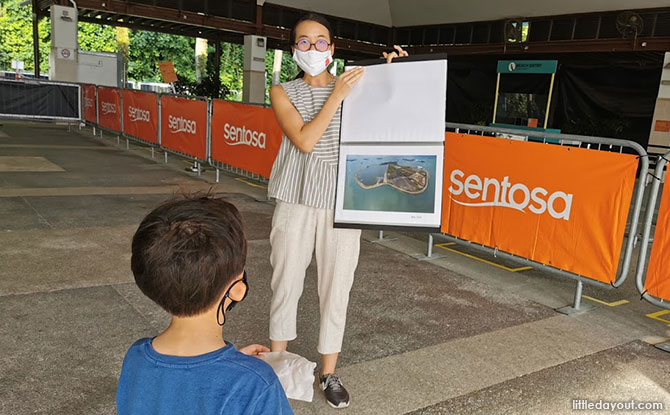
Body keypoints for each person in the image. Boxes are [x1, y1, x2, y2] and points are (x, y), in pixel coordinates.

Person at [267, 13, 408, 409]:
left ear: (334, 47)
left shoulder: (355, 88)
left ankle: (328, 372)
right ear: (294, 49)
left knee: (337, 287)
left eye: (322, 41)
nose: (314, 48)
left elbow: (390, 114)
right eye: (305, 42)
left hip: (343, 200)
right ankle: (280, 365)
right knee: (286, 281)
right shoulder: (283, 92)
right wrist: (337, 95)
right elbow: (306, 140)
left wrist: (391, 74)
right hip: (295, 197)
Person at [116, 195, 293, 415]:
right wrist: (244, 373)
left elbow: (181, 387)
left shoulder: (136, 357)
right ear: (238, 289)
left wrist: (236, 365)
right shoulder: (256, 385)